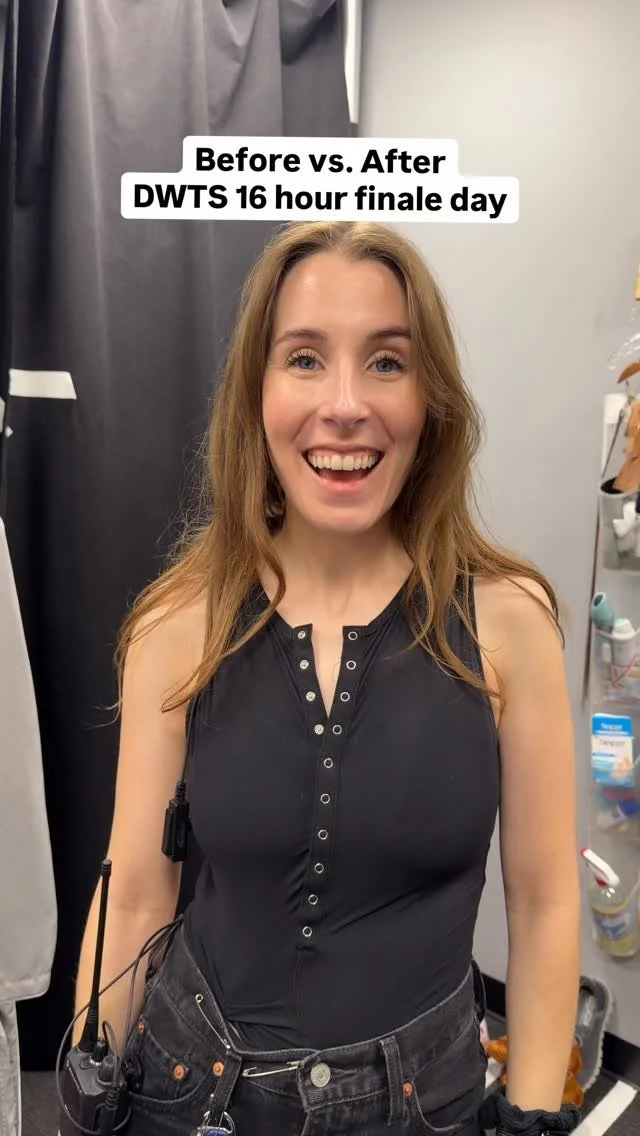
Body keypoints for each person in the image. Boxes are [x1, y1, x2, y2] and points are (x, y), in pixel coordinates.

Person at [71, 221, 581, 1136]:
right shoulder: (177, 625)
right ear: (257, 391)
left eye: (386, 362)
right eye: (305, 359)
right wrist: (85, 1100)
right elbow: (137, 892)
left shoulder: (509, 622)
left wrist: (536, 1116)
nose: (345, 405)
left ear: (430, 397)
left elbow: (544, 903)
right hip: (192, 1096)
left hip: (425, 1108)